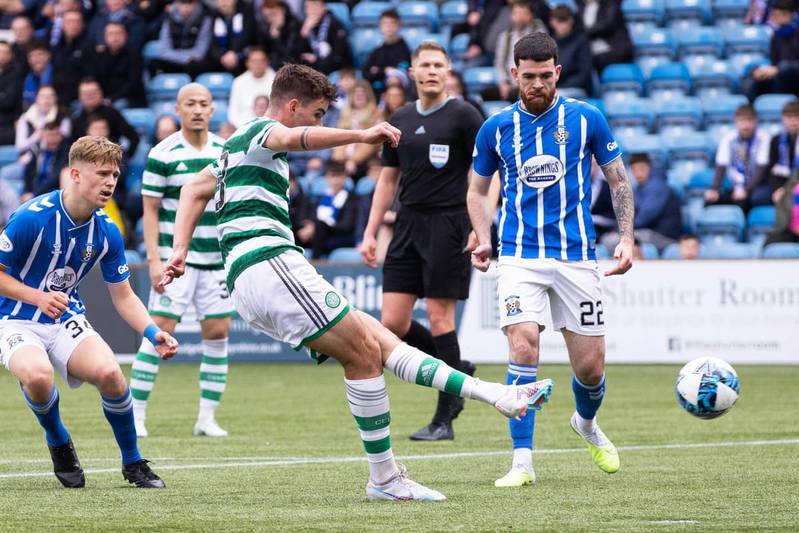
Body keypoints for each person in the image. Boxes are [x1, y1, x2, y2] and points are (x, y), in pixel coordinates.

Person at [161, 63, 554, 501]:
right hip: (268, 264)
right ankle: (385, 480)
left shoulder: (233, 146)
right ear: (292, 106)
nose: (321, 122)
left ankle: (497, 395)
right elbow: (293, 137)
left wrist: (178, 248)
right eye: (318, 113)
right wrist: (361, 135)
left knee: (376, 337)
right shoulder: (261, 130)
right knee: (366, 353)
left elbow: (195, 189)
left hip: (259, 273)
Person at [467, 32, 634, 487]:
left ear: (557, 72)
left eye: (545, 75)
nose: (536, 84)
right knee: (523, 345)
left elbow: (618, 182)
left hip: (577, 257)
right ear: (513, 74)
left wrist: (626, 238)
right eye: (528, 76)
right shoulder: (495, 127)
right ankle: (522, 462)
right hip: (519, 256)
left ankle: (585, 422)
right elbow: (477, 191)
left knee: (590, 369)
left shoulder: (586, 118)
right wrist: (483, 237)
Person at [0, 135, 177, 489]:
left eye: (114, 174)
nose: (110, 182)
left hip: (64, 318)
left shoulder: (107, 231)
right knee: (37, 376)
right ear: (75, 174)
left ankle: (133, 462)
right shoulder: (30, 218)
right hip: (14, 317)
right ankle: (59, 442)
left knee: (111, 374)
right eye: (102, 174)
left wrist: (152, 332)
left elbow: (124, 297)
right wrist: (37, 297)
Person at [360, 42, 485, 442]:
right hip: (407, 225)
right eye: (424, 65)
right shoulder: (400, 117)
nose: (431, 71)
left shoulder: (465, 115)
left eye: (438, 65)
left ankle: (444, 417)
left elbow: (486, 174)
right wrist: (370, 230)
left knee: (440, 317)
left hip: (448, 224)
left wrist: (479, 225)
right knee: (392, 323)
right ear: (411, 72)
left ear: (448, 71)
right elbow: (387, 179)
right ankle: (458, 370)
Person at [130, 83, 233, 438]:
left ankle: (206, 419)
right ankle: (136, 415)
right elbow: (150, 211)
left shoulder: (225, 151)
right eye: (190, 104)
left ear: (212, 110)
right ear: (177, 109)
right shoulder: (163, 152)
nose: (198, 110)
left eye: (204, 103)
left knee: (218, 333)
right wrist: (155, 261)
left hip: (216, 261)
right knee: (159, 332)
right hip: (177, 263)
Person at [601, 153, 681, 253]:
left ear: (650, 168)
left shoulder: (658, 187)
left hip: (663, 236)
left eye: (642, 169)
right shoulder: (639, 188)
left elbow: (644, 218)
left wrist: (619, 229)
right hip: (646, 231)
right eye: (635, 170)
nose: (638, 174)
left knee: (612, 241)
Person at [706, 104, 771, 211]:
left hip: (758, 186)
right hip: (736, 187)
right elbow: (721, 166)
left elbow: (761, 170)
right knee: (711, 200)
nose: (745, 126)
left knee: (745, 201)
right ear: (736, 122)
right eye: (742, 121)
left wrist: (746, 190)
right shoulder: (728, 138)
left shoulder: (764, 138)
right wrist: (714, 189)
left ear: (755, 121)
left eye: (749, 121)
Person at [487, 0, 547, 102]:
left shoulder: (539, 34)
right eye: (516, 13)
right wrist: (503, 82)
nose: (519, 17)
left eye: (523, 13)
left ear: (530, 16)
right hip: (509, 83)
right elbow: (499, 63)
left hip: (529, 82)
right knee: (485, 94)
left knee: (516, 95)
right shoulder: (505, 37)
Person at [742, 0, 799, 100]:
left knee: (784, 69)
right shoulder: (776, 37)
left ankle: (782, 105)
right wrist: (762, 71)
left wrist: (778, 69)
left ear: (787, 15)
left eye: (776, 15)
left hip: (794, 76)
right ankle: (752, 110)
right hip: (779, 74)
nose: (773, 18)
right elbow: (774, 63)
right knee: (751, 79)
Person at [88, 22, 145, 109]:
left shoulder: (134, 55)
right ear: (105, 37)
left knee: (117, 106)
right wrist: (99, 98)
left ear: (126, 35)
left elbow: (133, 84)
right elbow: (94, 79)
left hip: (128, 98)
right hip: (103, 97)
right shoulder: (99, 56)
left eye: (118, 33)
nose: (115, 37)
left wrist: (111, 99)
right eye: (111, 34)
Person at [149, 0, 212, 77]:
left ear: (196, 4)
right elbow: (164, 50)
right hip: (176, 60)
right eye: (182, 3)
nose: (186, 7)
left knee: (198, 65)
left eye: (190, 3)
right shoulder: (169, 18)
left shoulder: (205, 18)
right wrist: (183, 58)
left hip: (192, 62)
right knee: (154, 64)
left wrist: (183, 58)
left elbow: (200, 51)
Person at [310, 160, 358, 258]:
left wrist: (324, 226)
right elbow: (312, 217)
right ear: (327, 178)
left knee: (320, 227)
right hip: (321, 235)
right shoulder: (320, 198)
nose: (336, 180)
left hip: (342, 237)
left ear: (345, 178)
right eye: (332, 176)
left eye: (339, 176)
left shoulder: (352, 199)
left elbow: (347, 226)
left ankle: (315, 262)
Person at [361, 9, 411, 98]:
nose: (389, 27)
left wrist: (377, 71)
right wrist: (385, 70)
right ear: (380, 26)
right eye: (385, 23)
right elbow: (365, 73)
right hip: (376, 94)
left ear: (399, 25)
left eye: (392, 23)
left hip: (399, 96)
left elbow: (399, 74)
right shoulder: (377, 50)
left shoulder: (404, 50)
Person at [549, 2, 592, 96]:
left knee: (556, 96)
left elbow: (585, 73)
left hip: (576, 88)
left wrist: (561, 87)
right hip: (554, 87)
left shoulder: (581, 41)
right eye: (559, 21)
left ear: (571, 20)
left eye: (565, 20)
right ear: (552, 22)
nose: (563, 25)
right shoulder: (549, 43)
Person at [21, 120, 69, 202]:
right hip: (35, 188)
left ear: (60, 135)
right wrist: (27, 191)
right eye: (49, 134)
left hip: (54, 191)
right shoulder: (36, 149)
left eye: (55, 134)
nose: (52, 138)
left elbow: (55, 177)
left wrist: (35, 194)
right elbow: (28, 173)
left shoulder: (65, 151)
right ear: (43, 135)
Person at [228, 47, 275, 128]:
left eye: (261, 61)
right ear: (247, 63)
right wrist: (244, 129)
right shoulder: (238, 82)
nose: (257, 64)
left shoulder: (277, 81)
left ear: (267, 62)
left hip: (270, 128)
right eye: (254, 61)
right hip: (243, 127)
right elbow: (233, 112)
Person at [766, 99, 799, 203]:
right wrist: (777, 189)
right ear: (783, 119)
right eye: (789, 117)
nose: (793, 122)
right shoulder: (776, 140)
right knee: (758, 196)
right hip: (781, 184)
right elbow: (772, 168)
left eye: (797, 117)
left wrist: (790, 189)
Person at [0, 40, 23, 145]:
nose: (2, 56)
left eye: (6, 52)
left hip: (8, 123)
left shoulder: (17, 73)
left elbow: (9, 101)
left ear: (11, 55)